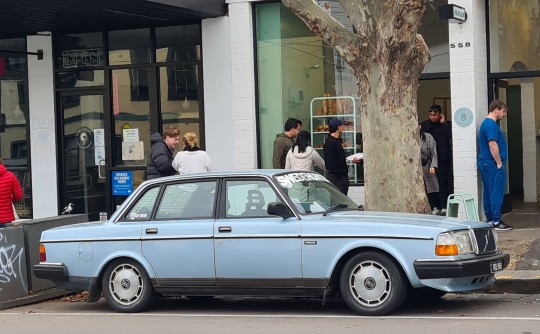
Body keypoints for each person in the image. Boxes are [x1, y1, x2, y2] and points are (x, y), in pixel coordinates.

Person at [478, 100, 513, 231]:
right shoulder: (491, 125)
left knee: (488, 191)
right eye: (503, 111)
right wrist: (498, 162)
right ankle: (497, 221)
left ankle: (491, 219)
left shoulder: (485, 124)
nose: (504, 114)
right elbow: (492, 144)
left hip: (485, 162)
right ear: (496, 109)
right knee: (496, 191)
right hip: (492, 163)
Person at [421, 104, 453, 215]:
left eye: (435, 114)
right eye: (431, 114)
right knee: (430, 184)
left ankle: (444, 206)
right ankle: (434, 205)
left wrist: (444, 123)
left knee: (443, 182)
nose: (433, 117)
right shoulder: (425, 125)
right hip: (429, 159)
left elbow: (450, 135)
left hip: (443, 157)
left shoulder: (446, 125)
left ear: (440, 114)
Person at [323, 118, 352, 195]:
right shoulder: (330, 142)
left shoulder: (338, 140)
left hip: (342, 177)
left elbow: (339, 157)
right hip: (336, 178)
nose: (343, 128)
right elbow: (330, 163)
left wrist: (351, 159)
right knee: (338, 203)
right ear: (338, 127)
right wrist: (340, 176)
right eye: (342, 126)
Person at [419, 124, 440, 214]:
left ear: (420, 125)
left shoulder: (428, 137)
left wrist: (433, 166)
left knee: (431, 186)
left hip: (427, 165)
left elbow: (434, 153)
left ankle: (435, 207)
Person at [0, 157, 24, 226]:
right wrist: (9, 197)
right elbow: (18, 196)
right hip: (6, 219)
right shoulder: (10, 176)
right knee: (6, 237)